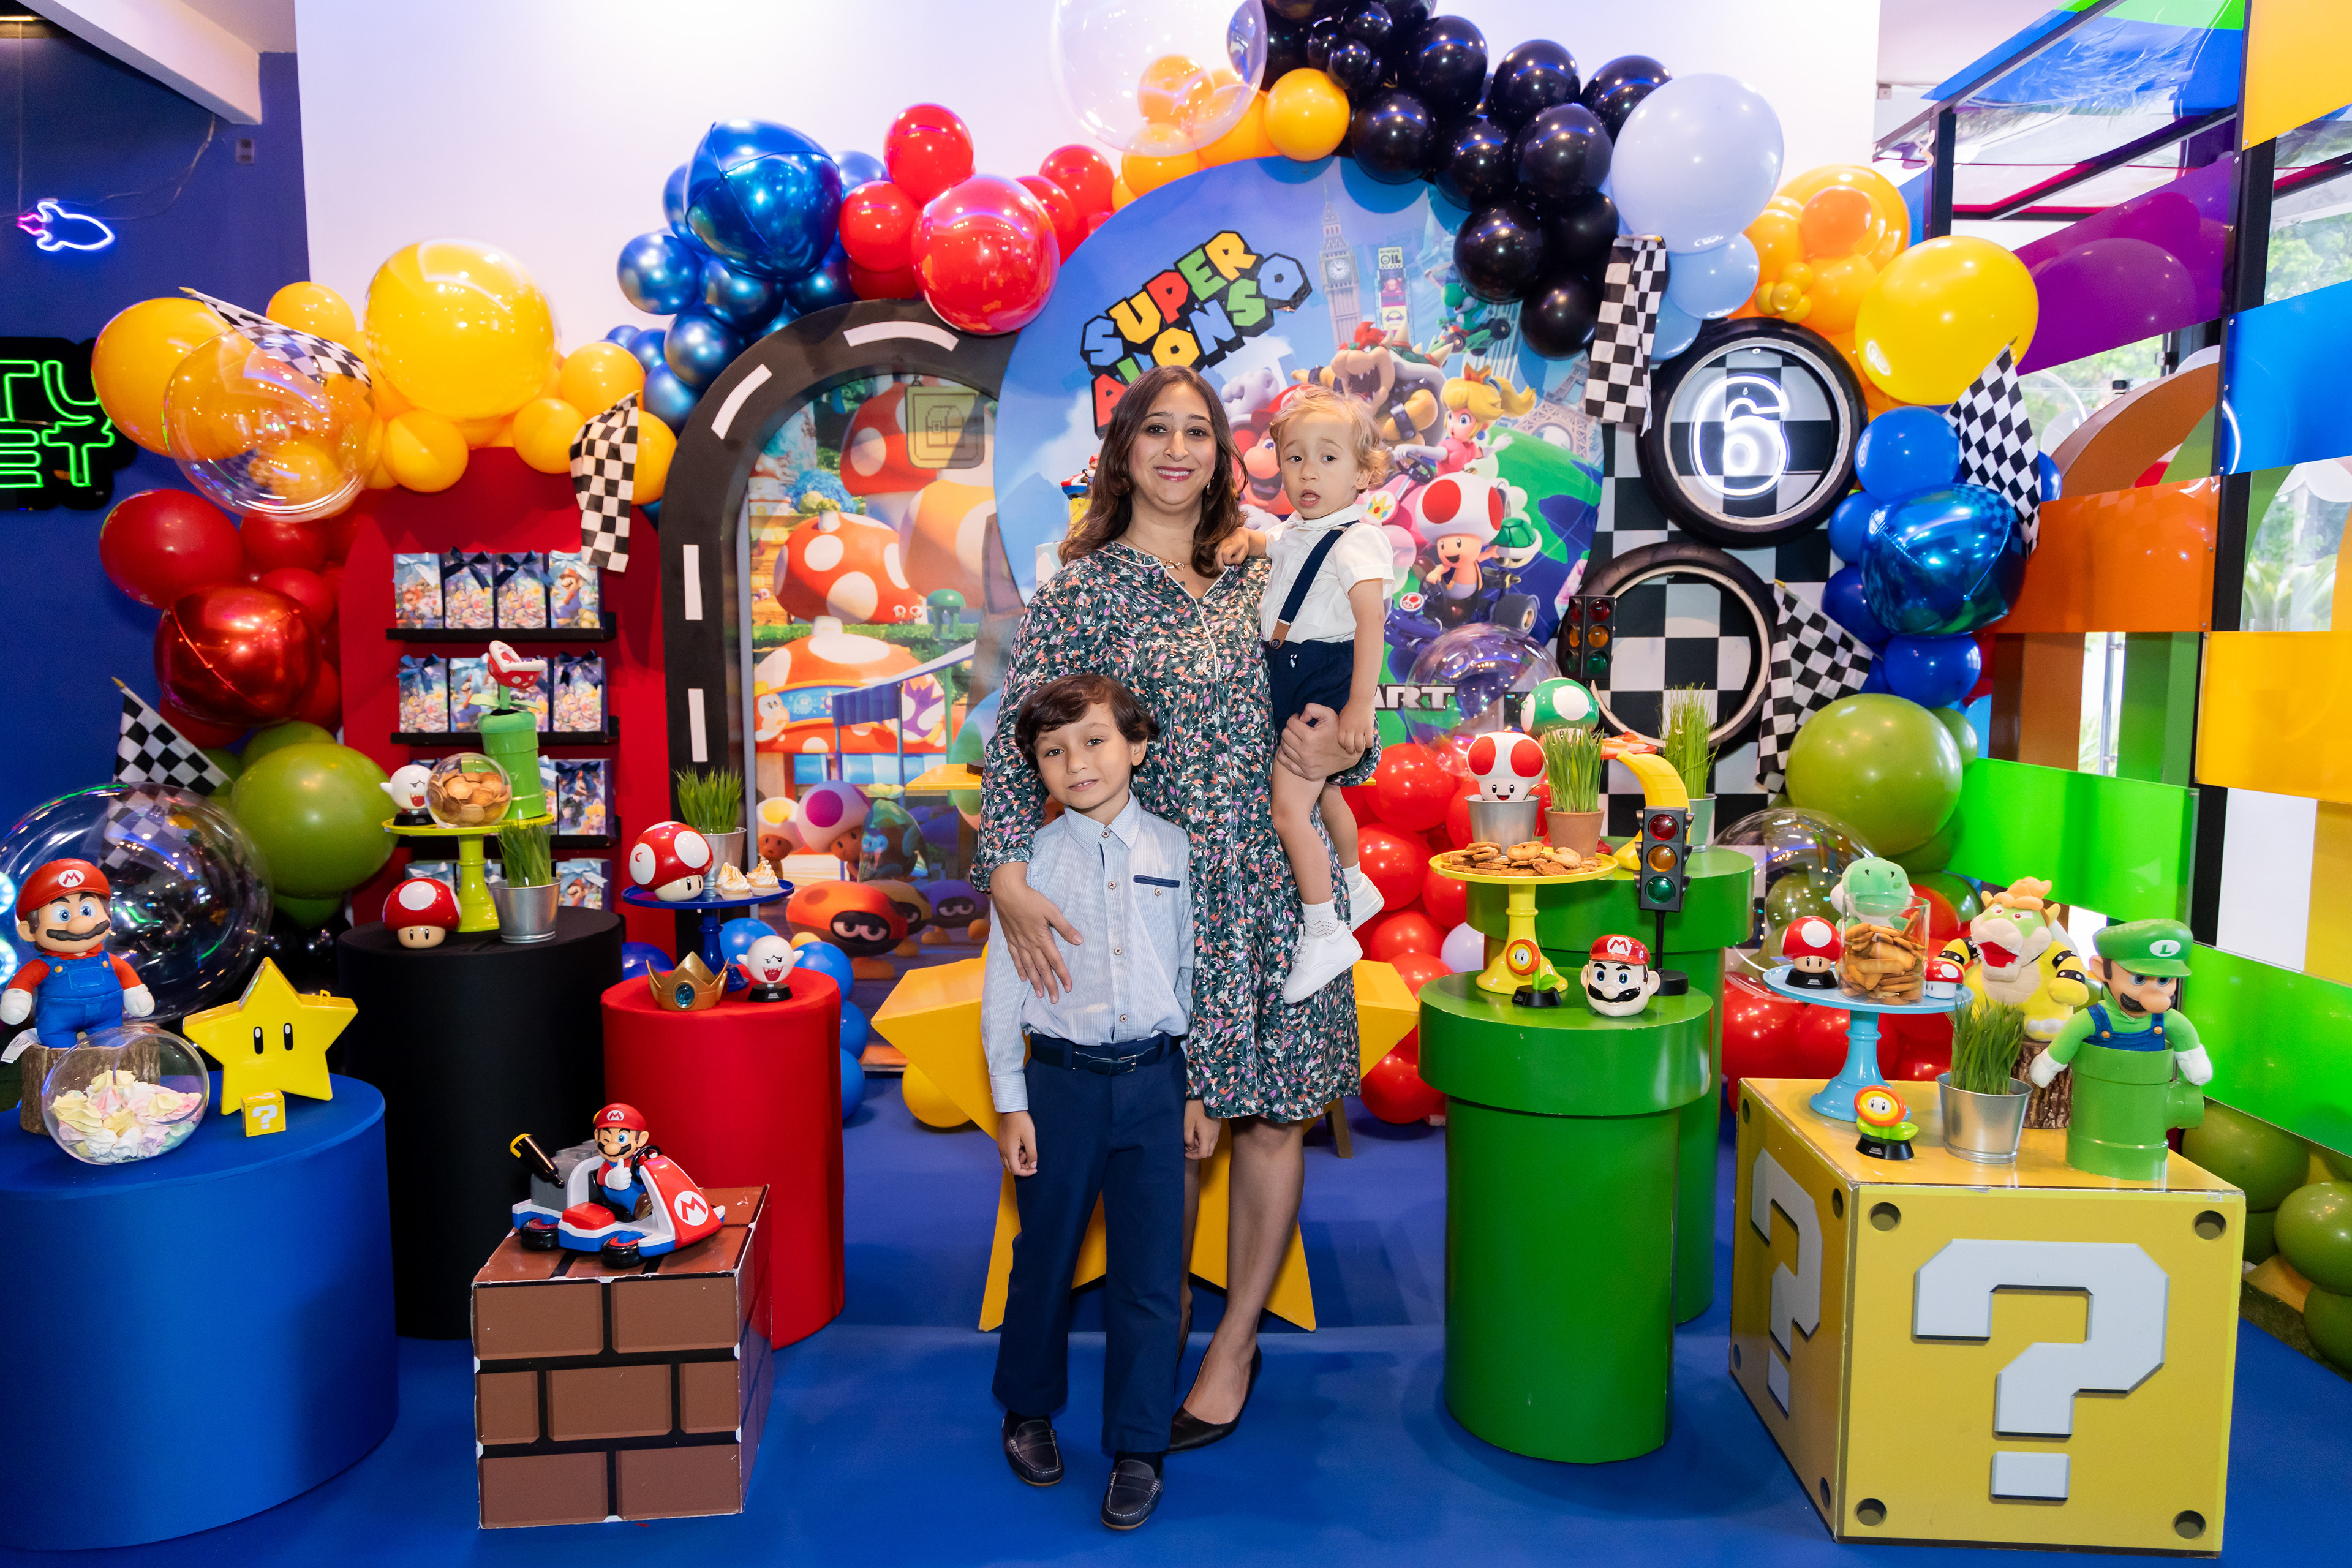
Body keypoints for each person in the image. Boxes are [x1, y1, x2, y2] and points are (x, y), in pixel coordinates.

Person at [974, 363, 1371, 1464]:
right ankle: (1161, 1343)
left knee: (1276, 1116)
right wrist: (1004, 872)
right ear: (1125, 450)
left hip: (1279, 885)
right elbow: (1017, 744)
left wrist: (1336, 748)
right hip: (1153, 897)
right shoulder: (1084, 591)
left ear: (1223, 455)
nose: (1180, 450)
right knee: (1169, 1135)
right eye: (1158, 430)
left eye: (1200, 431)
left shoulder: (1270, 568)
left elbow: (1342, 703)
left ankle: (1233, 1348)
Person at [984, 673, 1207, 1532]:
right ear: (1036, 768)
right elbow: (1003, 987)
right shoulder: (1028, 865)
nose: (1076, 762)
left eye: (1094, 740)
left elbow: (1193, 971)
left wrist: (1202, 1089)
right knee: (1045, 1254)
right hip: (1060, 1086)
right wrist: (1011, 1100)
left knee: (1151, 1273)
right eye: (1053, 751)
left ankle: (1140, 1445)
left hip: (1157, 1082)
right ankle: (1027, 1407)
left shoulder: (1178, 850)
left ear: (1137, 746)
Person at [1216, 386, 1398, 1001]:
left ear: (1362, 474)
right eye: (1294, 458)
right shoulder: (1299, 528)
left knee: (1289, 810)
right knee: (1324, 794)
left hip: (1322, 671)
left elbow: (1371, 624)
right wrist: (1247, 542)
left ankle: (1325, 931)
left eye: (1328, 457)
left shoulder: (1358, 539)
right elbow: (1276, 547)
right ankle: (1355, 882)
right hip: (1291, 666)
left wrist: (1360, 705)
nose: (1308, 472)